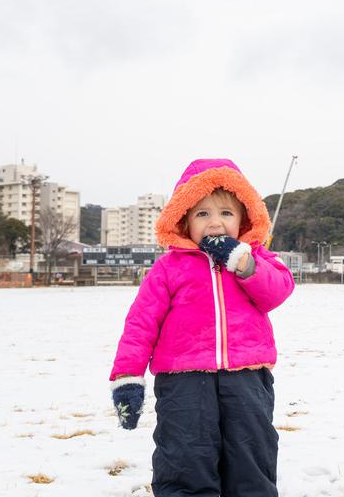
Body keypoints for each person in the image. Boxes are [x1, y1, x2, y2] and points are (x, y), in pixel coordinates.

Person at [108, 158, 295, 497]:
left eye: (226, 213)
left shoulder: (257, 258)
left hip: (247, 379)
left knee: (250, 456)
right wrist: (127, 377)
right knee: (184, 457)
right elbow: (140, 324)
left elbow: (277, 291)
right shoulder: (168, 269)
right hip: (183, 384)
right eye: (202, 214)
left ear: (243, 218)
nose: (215, 223)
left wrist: (243, 263)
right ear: (184, 220)